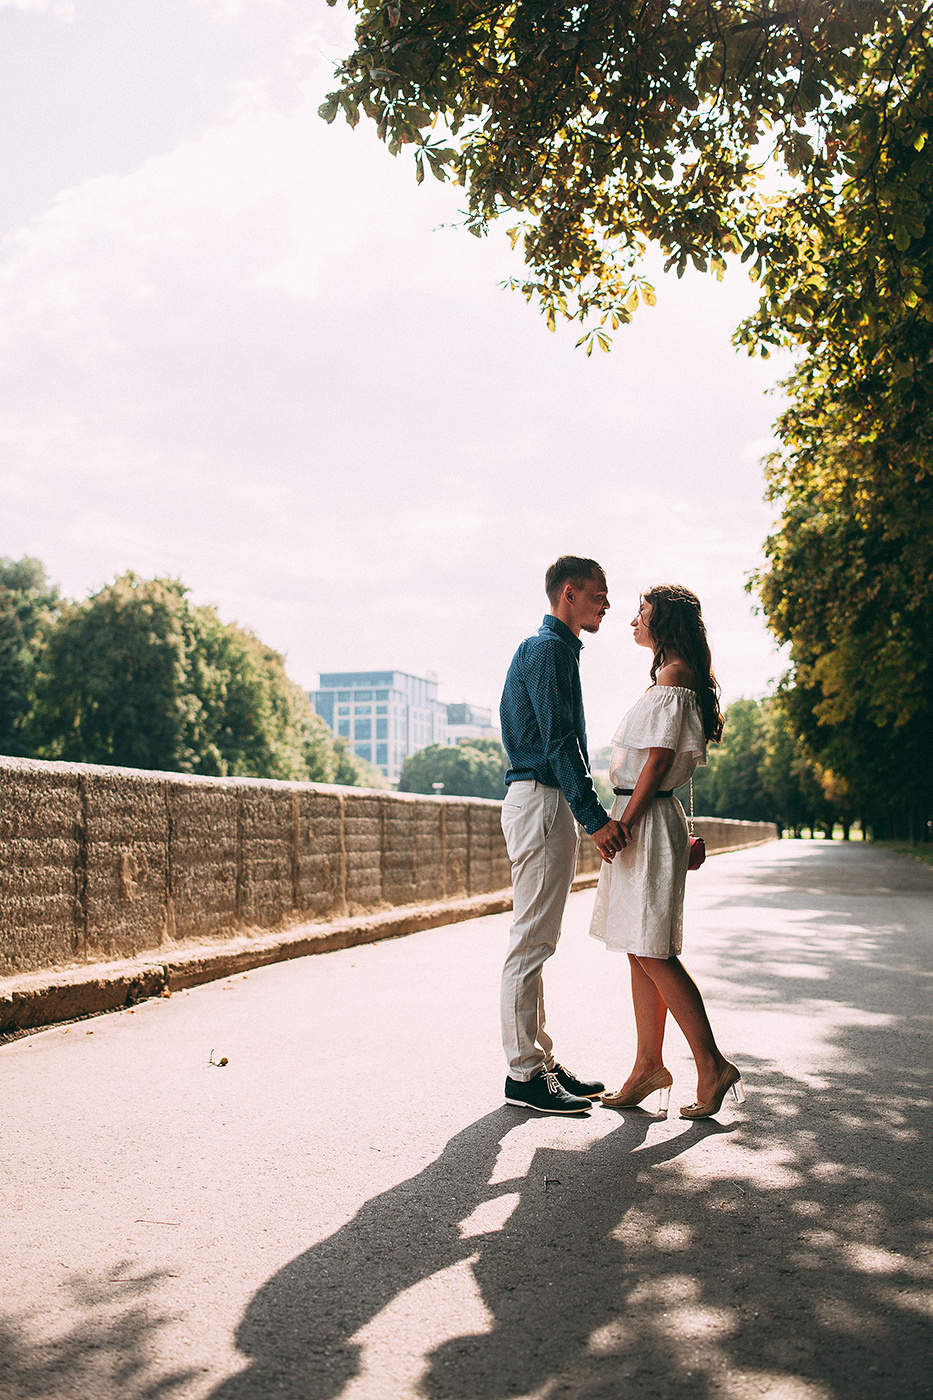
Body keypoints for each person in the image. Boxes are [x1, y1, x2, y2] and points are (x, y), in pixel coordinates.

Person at [589, 583, 745, 1119]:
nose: (633, 620)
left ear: (665, 623)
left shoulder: (675, 676)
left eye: (641, 612)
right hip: (644, 813)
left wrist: (622, 825)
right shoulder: (669, 676)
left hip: (645, 818)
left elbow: (657, 762)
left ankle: (712, 1064)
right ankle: (648, 1066)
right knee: (638, 943)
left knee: (652, 947)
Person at [499, 556, 626, 1114]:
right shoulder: (547, 649)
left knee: (539, 940)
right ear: (569, 594)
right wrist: (594, 819)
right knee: (530, 940)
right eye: (600, 594)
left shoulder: (556, 650)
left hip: (544, 802)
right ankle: (523, 1074)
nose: (607, 603)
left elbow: (562, 743)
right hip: (541, 801)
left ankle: (539, 1062)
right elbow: (558, 745)